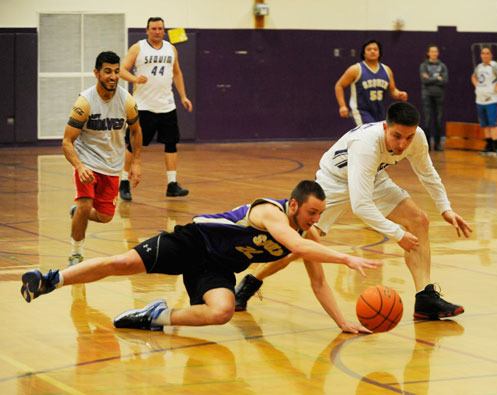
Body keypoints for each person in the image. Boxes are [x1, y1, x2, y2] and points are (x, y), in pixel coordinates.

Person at [20, 181, 381, 333]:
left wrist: (343, 322)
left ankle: (156, 318)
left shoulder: (308, 233)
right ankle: (52, 279)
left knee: (223, 311)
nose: (316, 220)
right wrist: (347, 259)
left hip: (218, 266)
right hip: (194, 241)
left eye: (320, 214)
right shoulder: (270, 211)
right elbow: (298, 247)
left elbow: (318, 283)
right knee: (123, 263)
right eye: (312, 212)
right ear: (295, 204)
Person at [235, 102, 473, 320]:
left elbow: (427, 173)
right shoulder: (367, 145)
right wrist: (396, 234)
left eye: (408, 138)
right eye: (396, 136)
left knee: (419, 220)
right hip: (333, 182)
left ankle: (425, 298)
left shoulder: (416, 137)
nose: (402, 144)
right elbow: (361, 205)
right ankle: (251, 281)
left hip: (373, 176)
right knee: (300, 245)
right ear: (385, 127)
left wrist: (445, 208)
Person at [62, 51, 142, 267]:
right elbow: (67, 141)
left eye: (116, 72)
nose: (113, 76)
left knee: (106, 216)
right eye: (107, 71)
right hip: (87, 162)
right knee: (86, 204)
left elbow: (136, 131)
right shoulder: (84, 102)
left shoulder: (127, 101)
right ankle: (76, 254)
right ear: (96, 73)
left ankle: (78, 212)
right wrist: (79, 166)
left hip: (111, 166)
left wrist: (135, 162)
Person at [118, 16, 193, 200]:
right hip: (143, 106)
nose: (157, 31)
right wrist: (135, 79)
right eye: (154, 28)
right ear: (147, 30)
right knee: (134, 145)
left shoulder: (171, 48)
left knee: (171, 143)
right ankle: (124, 182)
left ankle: (172, 184)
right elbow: (121, 69)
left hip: (167, 105)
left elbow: (177, 72)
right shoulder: (138, 47)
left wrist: (183, 96)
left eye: (160, 28)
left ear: (164, 30)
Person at [334, 39, 408, 126]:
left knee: (379, 137)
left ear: (379, 52)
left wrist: (399, 94)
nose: (372, 51)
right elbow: (339, 85)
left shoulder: (387, 70)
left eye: (375, 49)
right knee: (368, 134)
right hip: (361, 111)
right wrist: (342, 106)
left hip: (379, 111)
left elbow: (392, 90)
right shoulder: (356, 69)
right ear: (364, 53)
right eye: (369, 49)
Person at [471, 46, 497, 156]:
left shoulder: (494, 66)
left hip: (492, 100)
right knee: (484, 124)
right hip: (480, 99)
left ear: (491, 55)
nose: (485, 55)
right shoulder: (479, 67)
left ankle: (496, 147)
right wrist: (477, 87)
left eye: (487, 53)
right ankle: (488, 145)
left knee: (493, 123)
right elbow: (473, 77)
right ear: (481, 55)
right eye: (483, 53)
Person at [419, 44, 448, 151]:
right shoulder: (423, 65)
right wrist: (437, 78)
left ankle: (438, 144)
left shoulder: (443, 66)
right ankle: (427, 144)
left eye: (436, 51)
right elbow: (424, 80)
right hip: (427, 95)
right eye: (432, 51)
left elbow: (445, 81)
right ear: (428, 53)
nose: (434, 53)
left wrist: (430, 78)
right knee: (427, 120)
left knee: (438, 120)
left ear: (438, 53)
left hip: (439, 95)